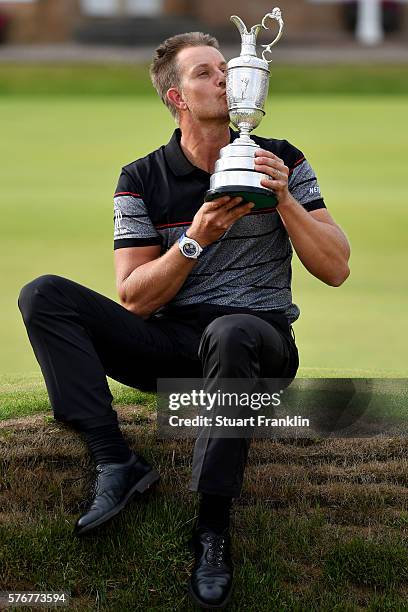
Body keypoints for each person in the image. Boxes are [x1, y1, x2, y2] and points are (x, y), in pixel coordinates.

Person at [18, 32, 350, 609]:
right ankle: (114, 459)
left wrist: (285, 200)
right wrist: (196, 239)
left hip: (259, 342)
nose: (223, 78)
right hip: (174, 345)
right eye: (205, 73)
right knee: (44, 294)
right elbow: (135, 298)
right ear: (176, 97)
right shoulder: (142, 177)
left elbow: (337, 267)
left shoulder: (283, 158)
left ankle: (212, 530)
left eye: (226, 69)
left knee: (232, 332)